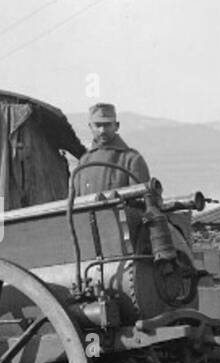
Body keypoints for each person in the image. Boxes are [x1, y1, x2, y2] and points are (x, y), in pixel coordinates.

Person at [74, 102, 179, 262]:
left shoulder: (131, 160)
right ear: (90, 126)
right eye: (98, 125)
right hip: (87, 243)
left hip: (125, 245)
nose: (102, 130)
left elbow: (145, 206)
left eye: (107, 125)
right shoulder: (83, 164)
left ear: (116, 126)